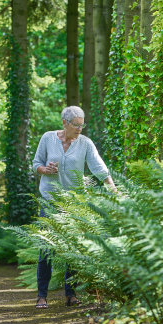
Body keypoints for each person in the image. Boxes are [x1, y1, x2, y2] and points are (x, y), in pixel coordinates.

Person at [32, 105, 117, 309]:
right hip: (50, 201)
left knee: (73, 250)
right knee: (46, 249)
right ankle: (42, 295)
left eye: (82, 124)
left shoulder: (85, 143)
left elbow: (99, 168)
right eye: (76, 125)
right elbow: (36, 163)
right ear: (64, 123)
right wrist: (45, 169)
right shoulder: (48, 138)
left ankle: (71, 294)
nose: (80, 128)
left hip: (74, 203)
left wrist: (113, 189)